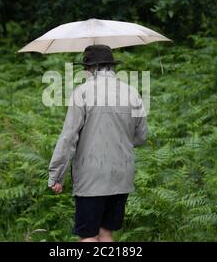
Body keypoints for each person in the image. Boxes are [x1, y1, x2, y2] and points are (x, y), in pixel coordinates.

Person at [47, 44, 148, 242]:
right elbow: (141, 137)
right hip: (122, 175)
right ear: (111, 66)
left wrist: (56, 175)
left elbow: (69, 137)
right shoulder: (132, 92)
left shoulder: (82, 93)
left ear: (91, 68)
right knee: (105, 232)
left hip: (91, 176)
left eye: (85, 68)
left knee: (88, 236)